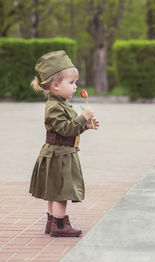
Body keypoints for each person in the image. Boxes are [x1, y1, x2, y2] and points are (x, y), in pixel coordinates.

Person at [29, 50, 100, 237]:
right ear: (55, 86)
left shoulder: (61, 104)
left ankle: (52, 222)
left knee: (54, 190)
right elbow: (66, 129)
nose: (75, 86)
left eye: (75, 82)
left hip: (60, 152)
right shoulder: (54, 107)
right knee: (60, 191)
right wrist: (83, 116)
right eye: (71, 82)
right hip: (59, 154)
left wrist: (85, 126)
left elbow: (69, 129)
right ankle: (59, 225)